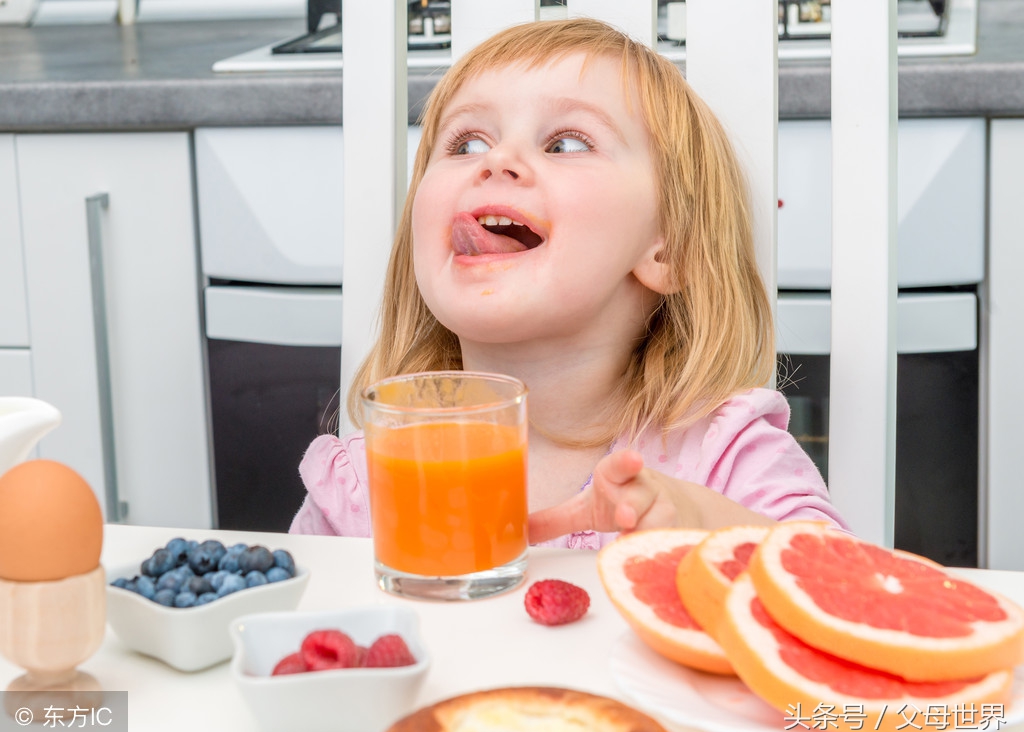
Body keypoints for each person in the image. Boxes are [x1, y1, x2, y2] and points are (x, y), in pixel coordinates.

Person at [290, 17, 848, 547]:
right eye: (467, 144)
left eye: (566, 144)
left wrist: (701, 520)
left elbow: (838, 587)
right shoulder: (362, 483)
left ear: (670, 247)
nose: (498, 160)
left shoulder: (723, 458)